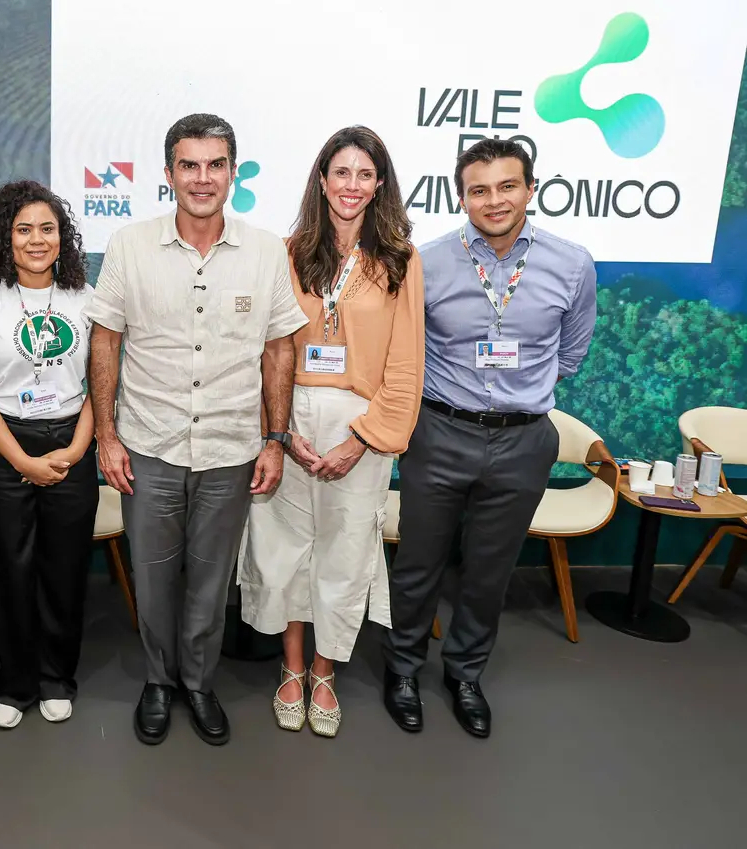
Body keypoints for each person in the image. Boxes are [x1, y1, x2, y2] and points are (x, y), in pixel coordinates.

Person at [85, 113, 308, 746]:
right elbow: (106, 341)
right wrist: (106, 435)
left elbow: (279, 350)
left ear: (233, 173)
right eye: (189, 165)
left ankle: (199, 684)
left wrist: (275, 438)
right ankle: (159, 683)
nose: (202, 178)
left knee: (211, 578)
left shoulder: (265, 251)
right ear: (168, 174)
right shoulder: (131, 245)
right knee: (153, 578)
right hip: (149, 445)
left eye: (215, 165)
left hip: (232, 449)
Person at [383, 138, 595, 738]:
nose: (494, 200)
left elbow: (571, 354)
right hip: (440, 432)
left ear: (531, 189)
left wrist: (516, 394)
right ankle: (401, 670)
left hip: (524, 441)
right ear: (462, 197)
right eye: (479, 190)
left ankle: (465, 674)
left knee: (489, 569)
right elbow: (409, 353)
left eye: (507, 186)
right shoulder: (427, 262)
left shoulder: (572, 264)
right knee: (418, 564)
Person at [237, 126, 424, 738]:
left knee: (345, 557)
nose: (351, 185)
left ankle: (324, 671)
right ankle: (290, 669)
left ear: (379, 185)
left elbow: (406, 363)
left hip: (359, 427)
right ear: (322, 180)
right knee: (284, 548)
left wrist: (363, 439)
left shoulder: (400, 258)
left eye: (364, 174)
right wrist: (279, 430)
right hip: (289, 423)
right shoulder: (289, 252)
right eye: (340, 172)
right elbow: (270, 348)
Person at [0, 180, 99, 729]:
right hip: (4, 447)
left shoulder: (84, 299)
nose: (36, 240)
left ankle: (57, 678)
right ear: (4, 238)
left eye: (47, 229)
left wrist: (77, 449)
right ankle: (15, 684)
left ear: (62, 238)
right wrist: (22, 461)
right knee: (11, 571)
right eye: (23, 230)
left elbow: (100, 385)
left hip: (70, 442)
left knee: (63, 570)